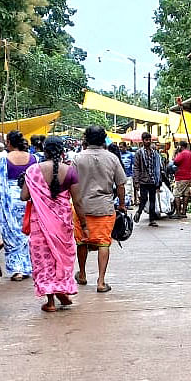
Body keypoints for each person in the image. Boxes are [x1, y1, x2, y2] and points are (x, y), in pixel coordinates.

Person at [20, 137, 88, 312]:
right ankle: (62, 290)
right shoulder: (70, 171)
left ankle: (50, 301)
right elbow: (78, 201)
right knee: (62, 257)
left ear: (45, 150)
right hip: (62, 224)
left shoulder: (33, 170)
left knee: (44, 260)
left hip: (40, 224)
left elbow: (24, 197)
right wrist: (84, 225)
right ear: (62, 150)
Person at [72, 126, 127, 293]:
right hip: (104, 207)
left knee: (81, 241)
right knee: (104, 242)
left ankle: (82, 274)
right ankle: (101, 282)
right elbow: (121, 185)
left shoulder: (78, 158)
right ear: (104, 139)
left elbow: (71, 184)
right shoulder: (112, 158)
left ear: (86, 139)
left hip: (81, 208)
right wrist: (122, 204)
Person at [0, 130, 36, 281]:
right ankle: (27, 266)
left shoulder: (4, 159)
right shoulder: (33, 158)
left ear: (9, 142)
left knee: (12, 234)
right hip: (28, 199)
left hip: (9, 200)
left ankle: (18, 269)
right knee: (27, 233)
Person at [132, 132, 160, 227]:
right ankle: (139, 212)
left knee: (153, 200)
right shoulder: (139, 153)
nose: (148, 141)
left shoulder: (154, 153)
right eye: (146, 140)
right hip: (143, 180)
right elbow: (136, 167)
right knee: (144, 199)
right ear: (143, 141)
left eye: (149, 140)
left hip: (153, 180)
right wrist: (136, 181)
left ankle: (152, 220)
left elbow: (157, 167)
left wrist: (158, 180)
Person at [172, 141, 191, 219]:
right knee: (186, 194)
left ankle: (178, 212)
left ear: (181, 146)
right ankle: (184, 212)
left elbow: (175, 162)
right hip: (189, 177)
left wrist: (175, 153)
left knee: (176, 194)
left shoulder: (182, 154)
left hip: (181, 177)